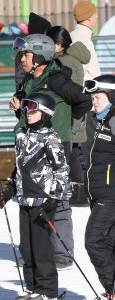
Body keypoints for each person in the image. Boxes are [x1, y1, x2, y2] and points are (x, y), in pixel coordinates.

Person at [10, 33, 90, 270]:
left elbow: (83, 101)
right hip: (30, 147)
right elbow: (32, 111)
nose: (21, 59)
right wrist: (18, 108)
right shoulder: (29, 79)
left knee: (58, 200)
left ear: (40, 55)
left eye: (25, 54)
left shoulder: (55, 79)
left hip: (55, 146)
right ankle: (36, 252)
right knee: (31, 199)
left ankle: (62, 254)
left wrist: (65, 124)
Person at [0, 92, 69, 300]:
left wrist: (54, 197)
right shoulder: (21, 134)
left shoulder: (51, 138)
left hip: (43, 201)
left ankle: (47, 292)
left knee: (41, 249)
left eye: (33, 108)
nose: (28, 112)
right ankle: (32, 288)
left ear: (45, 112)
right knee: (27, 249)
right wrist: (10, 189)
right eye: (26, 107)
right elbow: (20, 167)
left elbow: (61, 169)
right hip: (24, 199)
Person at [46, 25, 90, 206]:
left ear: (58, 45)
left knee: (72, 154)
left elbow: (70, 91)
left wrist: (73, 114)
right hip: (74, 112)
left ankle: (78, 194)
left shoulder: (66, 61)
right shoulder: (69, 57)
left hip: (72, 112)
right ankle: (77, 192)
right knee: (74, 153)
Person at [83, 75, 115, 300]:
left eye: (98, 97)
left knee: (93, 240)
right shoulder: (95, 120)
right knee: (110, 242)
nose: (94, 101)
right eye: (93, 97)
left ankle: (111, 288)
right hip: (96, 192)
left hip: (110, 193)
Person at [71, 0, 101, 165]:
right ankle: (84, 186)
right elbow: (94, 73)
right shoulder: (84, 40)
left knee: (76, 146)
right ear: (90, 17)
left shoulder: (72, 35)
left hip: (74, 98)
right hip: (87, 100)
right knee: (88, 146)